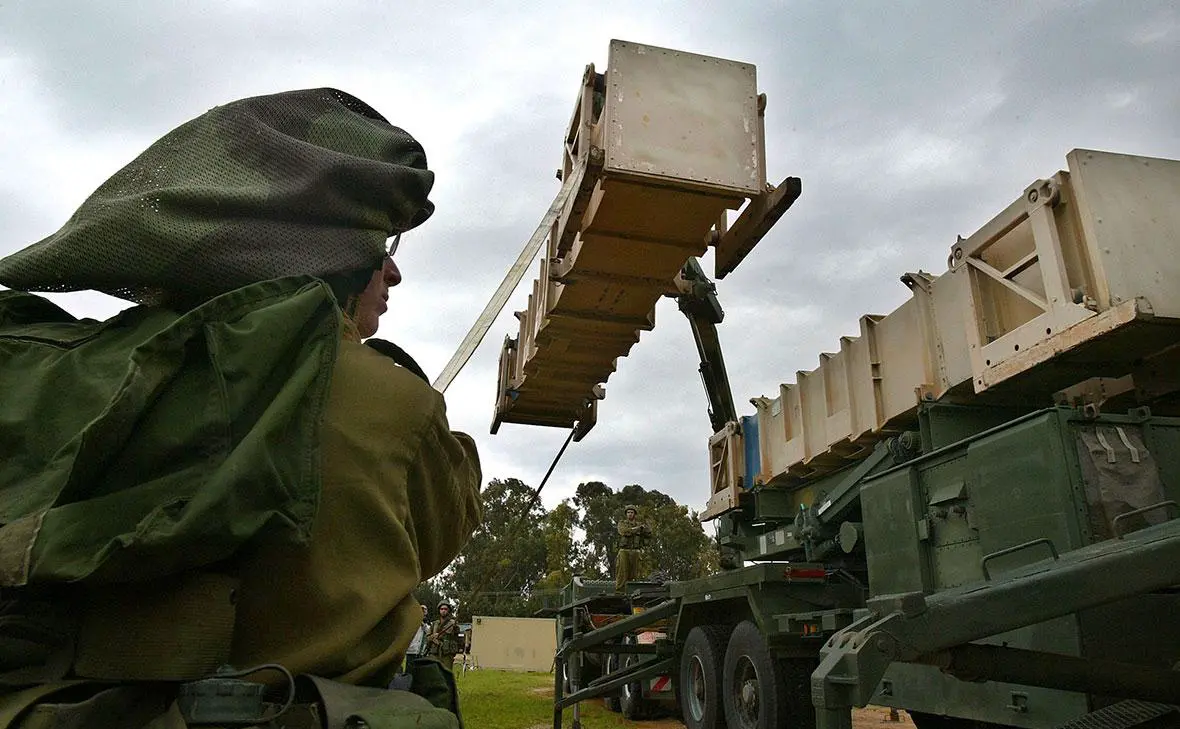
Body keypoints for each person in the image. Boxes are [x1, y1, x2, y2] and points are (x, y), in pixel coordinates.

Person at [0, 88, 482, 728]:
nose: (392, 275)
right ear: (330, 254)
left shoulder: (73, 368)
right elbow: (443, 528)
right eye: (381, 249)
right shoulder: (390, 402)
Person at [615, 504, 651, 592]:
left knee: (636, 573)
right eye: (628, 512)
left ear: (635, 514)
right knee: (622, 573)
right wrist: (638, 529)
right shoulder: (622, 523)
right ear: (626, 514)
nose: (630, 514)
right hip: (624, 551)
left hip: (636, 551)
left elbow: (649, 534)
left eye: (632, 512)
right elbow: (624, 531)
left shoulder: (640, 524)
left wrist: (647, 524)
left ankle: (635, 591)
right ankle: (620, 591)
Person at [426, 601, 463, 669]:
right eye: (441, 609)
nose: (443, 611)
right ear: (439, 610)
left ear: (448, 610)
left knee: (446, 673)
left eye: (445, 609)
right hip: (435, 653)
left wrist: (459, 648)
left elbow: (459, 637)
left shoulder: (453, 623)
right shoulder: (434, 624)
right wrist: (433, 637)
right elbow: (427, 638)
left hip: (447, 654)